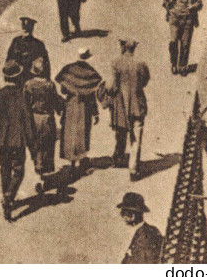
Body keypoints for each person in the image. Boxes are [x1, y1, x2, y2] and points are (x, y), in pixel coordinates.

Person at [0, 60, 34, 221]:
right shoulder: (23, 94)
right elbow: (27, 118)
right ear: (18, 76)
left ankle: (6, 197)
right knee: (19, 171)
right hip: (18, 139)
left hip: (2, 138)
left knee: (4, 170)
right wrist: (31, 139)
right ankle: (8, 198)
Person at [104, 40, 149, 179]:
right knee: (136, 139)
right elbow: (145, 80)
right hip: (137, 104)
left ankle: (118, 158)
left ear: (122, 48)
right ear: (134, 49)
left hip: (121, 105)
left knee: (121, 132)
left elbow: (111, 86)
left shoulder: (116, 63)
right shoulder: (141, 64)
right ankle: (133, 170)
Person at [56, 46, 101, 174]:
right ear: (88, 57)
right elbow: (92, 95)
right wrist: (96, 113)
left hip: (70, 105)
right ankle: (82, 160)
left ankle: (71, 162)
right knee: (83, 133)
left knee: (70, 133)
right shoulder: (91, 73)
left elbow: (63, 90)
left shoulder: (68, 69)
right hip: (84, 107)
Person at [24, 56, 65, 190]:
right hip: (47, 118)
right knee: (48, 146)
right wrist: (61, 110)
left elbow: (25, 103)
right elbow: (55, 101)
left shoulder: (28, 85)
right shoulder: (49, 85)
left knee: (36, 146)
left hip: (34, 118)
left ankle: (39, 173)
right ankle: (46, 177)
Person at [163, 0, 203, 75]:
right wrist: (169, 7)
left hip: (188, 20)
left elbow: (200, 4)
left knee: (185, 44)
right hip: (174, 19)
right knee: (173, 42)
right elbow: (165, 1)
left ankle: (182, 66)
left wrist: (193, 6)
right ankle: (174, 64)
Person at [117, 191, 163, 264]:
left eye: (124, 212)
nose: (122, 216)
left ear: (133, 214)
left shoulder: (148, 233)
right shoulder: (142, 231)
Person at [5, 16, 50, 81]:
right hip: (16, 76)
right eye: (24, 27)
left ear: (32, 28)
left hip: (31, 77)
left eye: (28, 27)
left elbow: (45, 63)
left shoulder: (38, 44)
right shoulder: (16, 41)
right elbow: (9, 57)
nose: (25, 29)